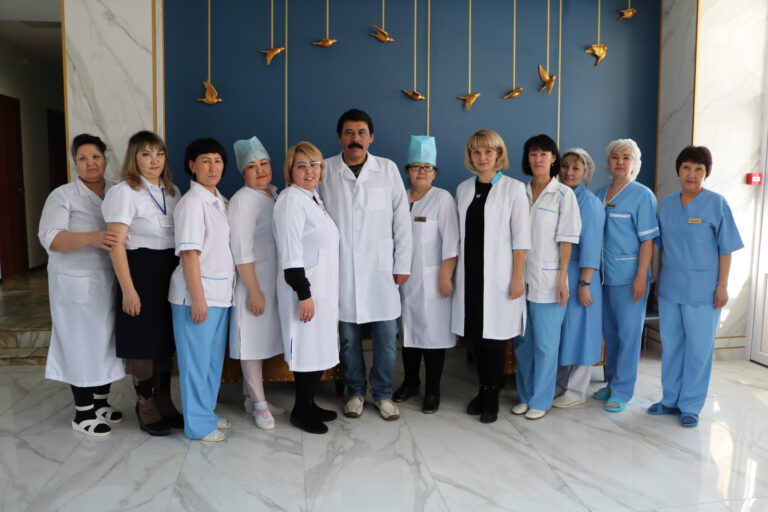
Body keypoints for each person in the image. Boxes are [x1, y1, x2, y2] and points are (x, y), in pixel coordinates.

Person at [317, 109, 412, 421]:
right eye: (348, 132)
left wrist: (402, 263)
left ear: (371, 137)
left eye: (361, 132)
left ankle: (383, 394)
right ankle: (355, 391)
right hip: (341, 268)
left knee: (386, 338)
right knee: (348, 338)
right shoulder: (325, 170)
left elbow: (401, 219)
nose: (355, 138)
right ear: (339, 137)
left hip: (381, 269)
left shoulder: (387, 169)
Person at [648, 145, 743, 427]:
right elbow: (662, 247)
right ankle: (669, 399)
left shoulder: (716, 204)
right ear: (678, 170)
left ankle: (690, 406)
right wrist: (659, 279)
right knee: (672, 346)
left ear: (706, 173)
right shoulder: (668, 204)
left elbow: (726, 249)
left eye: (699, 169)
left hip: (704, 291)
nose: (692, 174)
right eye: (687, 168)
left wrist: (723, 286)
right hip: (671, 288)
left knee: (699, 350)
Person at [38, 133, 126, 436]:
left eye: (96, 157)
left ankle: (101, 403)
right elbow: (50, 237)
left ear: (105, 158)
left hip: (109, 280)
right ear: (74, 162)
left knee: (106, 343)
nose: (90, 163)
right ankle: (83, 411)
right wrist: (91, 238)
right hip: (74, 284)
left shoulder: (117, 190)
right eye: (83, 158)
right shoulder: (62, 195)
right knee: (80, 345)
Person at [102, 130, 182, 436]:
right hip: (139, 272)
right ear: (134, 158)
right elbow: (115, 245)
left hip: (168, 271)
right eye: (146, 154)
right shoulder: (124, 192)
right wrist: (128, 289)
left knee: (164, 341)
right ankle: (145, 403)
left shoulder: (172, 191)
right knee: (143, 343)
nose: (154, 160)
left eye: (159, 154)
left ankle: (163, 398)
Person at [452, 129, 531, 423]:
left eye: (488, 151)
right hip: (470, 275)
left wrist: (517, 277)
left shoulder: (514, 189)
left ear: (499, 154)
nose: (482, 157)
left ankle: (492, 397)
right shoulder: (463, 189)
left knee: (495, 338)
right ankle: (483, 389)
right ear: (470, 156)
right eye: (476, 151)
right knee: (477, 336)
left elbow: (521, 239)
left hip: (500, 276)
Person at [168, 138, 235, 442]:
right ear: (192, 166)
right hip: (196, 295)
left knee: (211, 362)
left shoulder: (220, 200)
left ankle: (206, 413)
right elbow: (189, 253)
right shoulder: (192, 203)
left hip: (220, 294)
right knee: (195, 363)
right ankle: (197, 425)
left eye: (218, 160)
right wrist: (198, 298)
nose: (213, 167)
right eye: (205, 161)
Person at [273, 141, 341, 434]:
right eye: (301, 166)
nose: (309, 171)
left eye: (314, 165)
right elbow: (290, 253)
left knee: (317, 349)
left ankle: (309, 404)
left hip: (322, 290)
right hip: (304, 291)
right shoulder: (290, 200)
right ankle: (301, 411)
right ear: (290, 171)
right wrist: (304, 293)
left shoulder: (313, 197)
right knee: (307, 350)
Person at [513, 134, 581, 420]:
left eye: (543, 154)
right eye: (533, 154)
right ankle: (525, 396)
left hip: (549, 280)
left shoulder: (563, 195)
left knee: (545, 344)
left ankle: (540, 400)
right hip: (519, 278)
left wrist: (563, 278)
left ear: (553, 158)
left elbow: (566, 241)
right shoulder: (518, 191)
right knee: (522, 343)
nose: (538, 159)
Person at [393, 135, 459, 414]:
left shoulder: (442, 199)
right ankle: (411, 382)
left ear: (435, 172)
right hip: (402, 281)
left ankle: (432, 390)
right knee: (407, 334)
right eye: (416, 166)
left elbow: (452, 242)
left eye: (427, 167)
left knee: (433, 338)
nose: (421, 171)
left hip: (433, 281)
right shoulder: (400, 198)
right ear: (407, 170)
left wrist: (445, 276)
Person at [594, 138, 659, 412]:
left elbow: (648, 241)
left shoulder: (643, 195)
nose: (620, 162)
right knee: (610, 334)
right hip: (602, 277)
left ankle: (622, 391)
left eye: (626, 158)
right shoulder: (599, 193)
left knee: (628, 336)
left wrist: (641, 276)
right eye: (615, 157)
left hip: (630, 277)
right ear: (608, 163)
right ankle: (611, 383)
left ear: (634, 164)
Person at [229, 136, 284, 430]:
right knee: (250, 343)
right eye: (252, 166)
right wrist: (254, 291)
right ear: (243, 172)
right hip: (252, 283)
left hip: (270, 282)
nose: (260, 170)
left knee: (260, 342)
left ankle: (252, 399)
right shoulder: (242, 200)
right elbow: (240, 251)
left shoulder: (273, 193)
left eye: (264, 163)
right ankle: (261, 406)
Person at [554, 148, 605, 408]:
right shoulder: (560, 196)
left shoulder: (590, 203)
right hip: (562, 274)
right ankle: (561, 385)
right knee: (566, 333)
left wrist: (584, 284)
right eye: (565, 166)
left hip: (582, 276)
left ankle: (576, 391)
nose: (569, 172)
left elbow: (591, 247)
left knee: (581, 333)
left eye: (576, 168)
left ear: (586, 173)